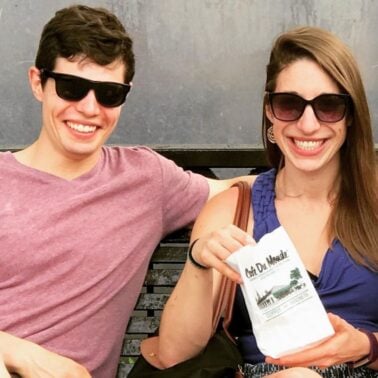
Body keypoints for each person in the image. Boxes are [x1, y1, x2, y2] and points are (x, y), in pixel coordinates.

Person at [0, 5, 255, 378]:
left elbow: (247, 189)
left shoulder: (146, 180)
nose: (89, 108)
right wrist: (18, 352)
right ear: (38, 82)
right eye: (71, 88)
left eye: (108, 93)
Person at [158, 26, 378, 377]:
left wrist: (367, 346)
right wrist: (199, 263)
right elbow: (174, 355)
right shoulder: (235, 210)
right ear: (270, 112)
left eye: (329, 106)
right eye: (289, 104)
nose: (308, 124)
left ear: (350, 116)